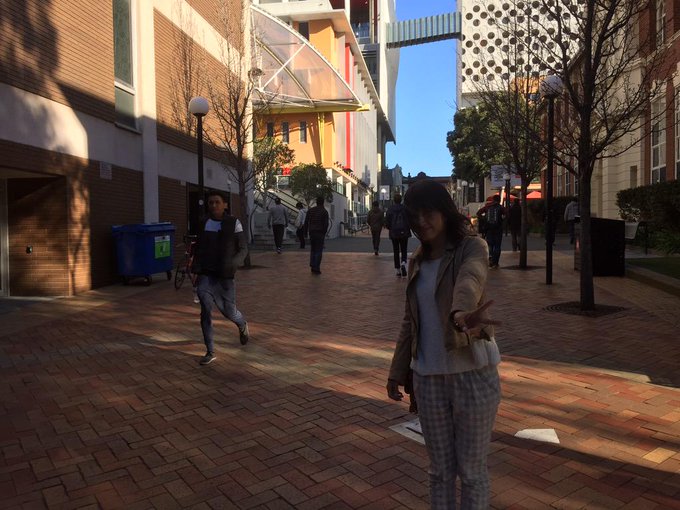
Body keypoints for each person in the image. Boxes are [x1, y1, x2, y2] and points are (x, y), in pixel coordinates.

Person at [386, 179, 501, 510]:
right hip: (428, 379)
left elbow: (470, 279)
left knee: (472, 472)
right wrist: (397, 371)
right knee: (439, 472)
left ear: (444, 211)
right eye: (414, 215)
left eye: (428, 212)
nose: (421, 222)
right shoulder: (417, 261)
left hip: (473, 375)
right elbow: (410, 320)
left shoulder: (472, 247)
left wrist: (461, 312)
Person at [192, 191, 250, 366]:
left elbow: (243, 249)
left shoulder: (233, 223)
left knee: (228, 311)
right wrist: (196, 269)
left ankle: (241, 323)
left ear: (225, 204)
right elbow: (199, 247)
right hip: (206, 275)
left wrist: (232, 265)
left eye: (217, 202)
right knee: (206, 309)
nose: (213, 205)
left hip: (225, 276)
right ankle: (210, 351)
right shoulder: (203, 222)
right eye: (210, 202)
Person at [385, 194, 411, 277]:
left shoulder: (390, 209)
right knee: (404, 249)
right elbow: (409, 219)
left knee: (396, 251)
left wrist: (390, 228)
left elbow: (387, 222)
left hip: (394, 232)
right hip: (404, 232)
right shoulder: (405, 208)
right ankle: (403, 262)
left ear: (394, 200)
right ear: (401, 200)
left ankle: (398, 270)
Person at [304, 196, 329, 274]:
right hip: (320, 233)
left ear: (316, 202)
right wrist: (324, 233)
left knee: (313, 249)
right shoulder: (324, 211)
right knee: (318, 250)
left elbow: (306, 222)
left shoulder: (311, 210)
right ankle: (316, 267)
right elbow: (326, 224)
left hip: (312, 232)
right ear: (323, 202)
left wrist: (305, 232)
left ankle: (312, 264)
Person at [478, 195, 505, 268]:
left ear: (493, 199)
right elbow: (507, 214)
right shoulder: (500, 207)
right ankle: (495, 262)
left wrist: (484, 219)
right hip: (498, 228)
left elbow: (478, 213)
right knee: (497, 245)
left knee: (490, 244)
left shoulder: (487, 206)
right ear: (499, 200)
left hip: (489, 228)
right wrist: (502, 221)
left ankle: (490, 259)